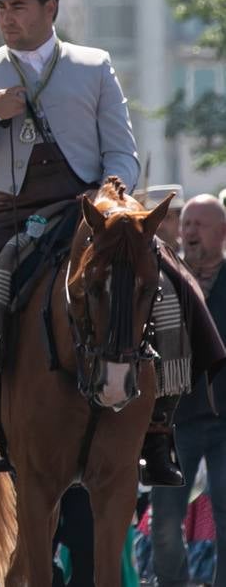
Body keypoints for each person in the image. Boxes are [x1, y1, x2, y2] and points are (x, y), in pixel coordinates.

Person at [0, 0, 223, 481]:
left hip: (91, 210)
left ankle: (160, 424)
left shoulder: (94, 65)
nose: (7, 18)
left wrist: (110, 195)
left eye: (18, 6)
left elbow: (123, 151)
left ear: (52, 6)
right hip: (10, 214)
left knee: (170, 284)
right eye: (1, 8)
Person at [151, 194, 226, 587]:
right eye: (187, 224)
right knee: (164, 520)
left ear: (223, 233)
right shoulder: (165, 280)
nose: (189, 231)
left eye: (200, 224)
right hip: (175, 422)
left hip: (224, 420)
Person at [138, 184, 185, 253]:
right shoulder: (138, 258)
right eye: (154, 218)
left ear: (180, 220)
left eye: (167, 218)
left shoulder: (192, 257)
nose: (160, 225)